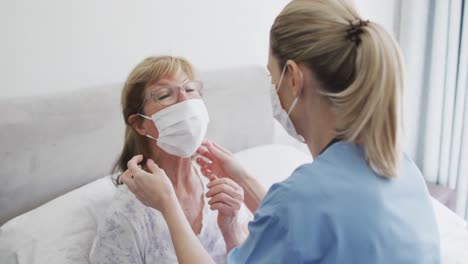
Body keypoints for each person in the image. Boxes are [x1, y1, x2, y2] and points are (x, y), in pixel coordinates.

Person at [122, 0, 441, 263]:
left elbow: (299, 216)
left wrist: (168, 204)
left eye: (271, 75)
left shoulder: (300, 198)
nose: (272, 89)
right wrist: (244, 180)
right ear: (137, 122)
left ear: (292, 77)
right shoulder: (401, 168)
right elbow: (303, 230)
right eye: (165, 95)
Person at [89, 56, 250, 264]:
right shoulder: (126, 214)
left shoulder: (217, 181)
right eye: (165, 95)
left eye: (190, 90)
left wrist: (232, 230)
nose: (186, 101)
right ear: (140, 124)